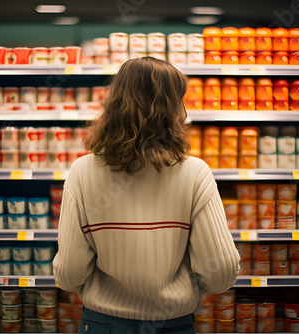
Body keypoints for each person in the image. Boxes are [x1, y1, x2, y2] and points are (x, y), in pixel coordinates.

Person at [53, 56, 240, 334]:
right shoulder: (195, 172)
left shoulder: (82, 172)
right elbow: (221, 273)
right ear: (174, 108)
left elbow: (68, 274)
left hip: (103, 324)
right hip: (172, 325)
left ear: (114, 103)